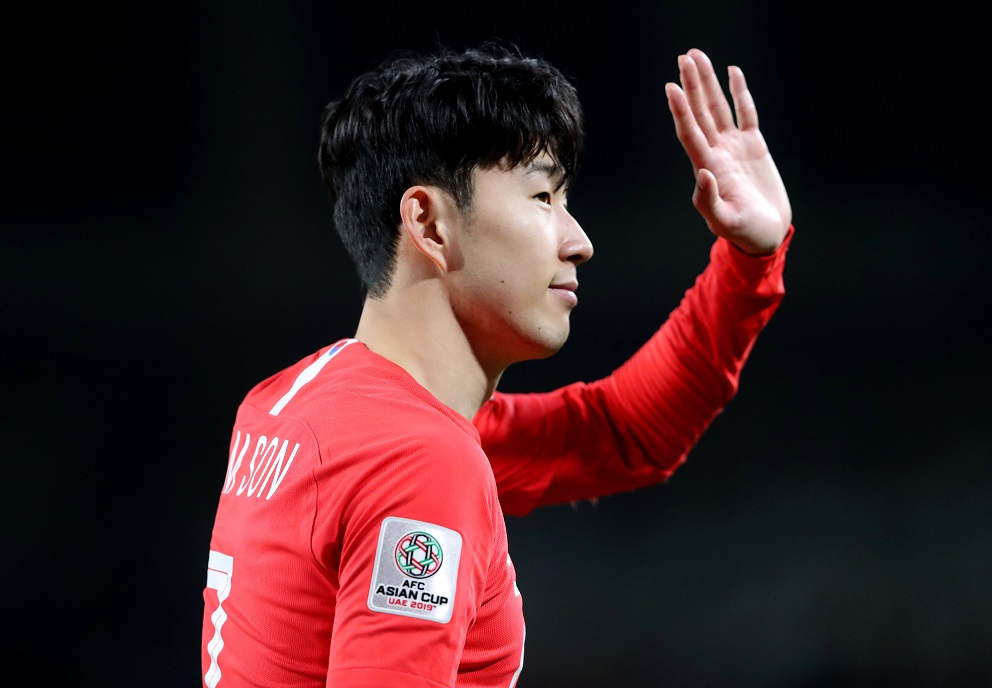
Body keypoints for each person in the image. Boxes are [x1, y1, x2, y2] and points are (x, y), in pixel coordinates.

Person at [201, 41, 793, 688]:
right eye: (543, 197)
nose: (580, 242)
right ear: (428, 223)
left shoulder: (295, 400)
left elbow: (620, 436)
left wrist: (747, 263)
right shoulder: (417, 459)